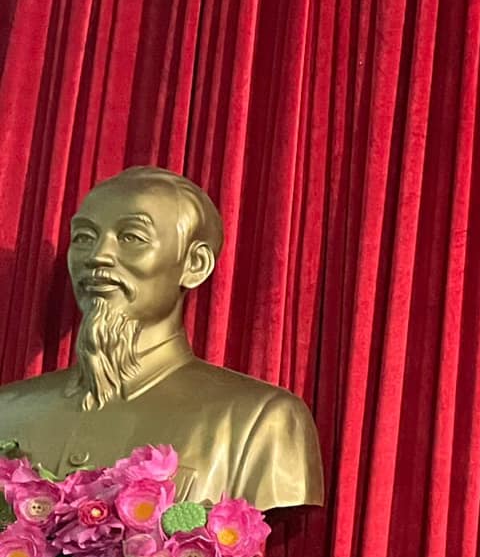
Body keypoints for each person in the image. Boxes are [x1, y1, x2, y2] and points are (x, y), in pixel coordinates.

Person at [0, 166, 322, 509]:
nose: (97, 256)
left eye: (131, 237)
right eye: (84, 237)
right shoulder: (8, 410)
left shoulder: (262, 421)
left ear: (195, 264)